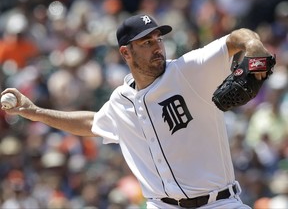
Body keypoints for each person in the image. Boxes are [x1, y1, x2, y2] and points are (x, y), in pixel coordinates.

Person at [1, 14, 273, 208]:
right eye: (146, 43)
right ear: (125, 53)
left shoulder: (188, 70)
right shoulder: (121, 100)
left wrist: (254, 48)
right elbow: (92, 123)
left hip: (219, 203)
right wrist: (35, 112)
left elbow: (240, 37)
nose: (157, 46)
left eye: (157, 39)